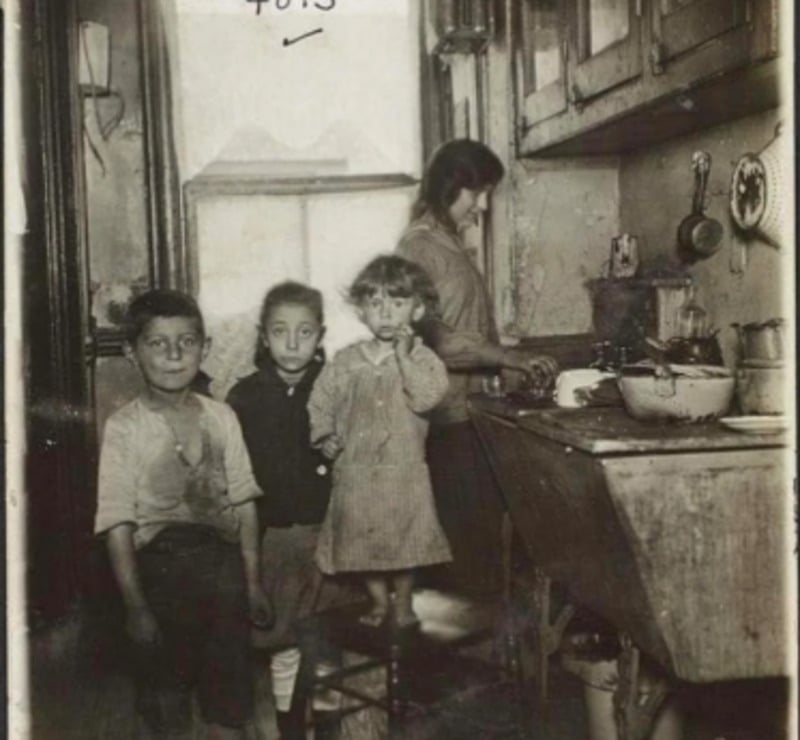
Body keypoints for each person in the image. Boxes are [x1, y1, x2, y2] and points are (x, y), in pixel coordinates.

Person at [94, 289, 272, 740]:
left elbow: (245, 503)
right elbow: (117, 522)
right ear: (132, 355)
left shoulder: (222, 417)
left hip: (223, 571)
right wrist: (135, 606)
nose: (174, 355)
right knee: (165, 698)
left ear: (205, 348)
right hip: (159, 573)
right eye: (157, 343)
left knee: (229, 696)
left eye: (187, 342)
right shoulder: (124, 427)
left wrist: (252, 585)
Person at [396, 139, 558, 598]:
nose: (482, 205)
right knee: (463, 568)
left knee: (479, 558)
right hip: (446, 427)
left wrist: (510, 359)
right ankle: (464, 664)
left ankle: (480, 658)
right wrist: (508, 358)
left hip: (468, 418)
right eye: (476, 192)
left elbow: (463, 325)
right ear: (450, 187)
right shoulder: (419, 250)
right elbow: (433, 338)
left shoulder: (445, 245)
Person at [227, 281, 346, 740]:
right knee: (284, 644)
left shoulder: (336, 387)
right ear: (263, 335)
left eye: (304, 332)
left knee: (329, 642)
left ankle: (330, 727)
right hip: (273, 538)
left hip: (330, 535)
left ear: (320, 335)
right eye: (280, 332)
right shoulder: (244, 398)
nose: (293, 344)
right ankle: (289, 727)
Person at [308, 255, 452, 628]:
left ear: (417, 309)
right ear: (361, 311)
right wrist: (323, 434)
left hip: (403, 475)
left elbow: (425, 398)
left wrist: (404, 359)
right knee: (359, 542)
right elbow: (320, 401)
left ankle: (402, 602)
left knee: (405, 543)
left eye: (398, 303)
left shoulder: (424, 360)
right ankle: (377, 600)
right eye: (376, 303)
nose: (386, 313)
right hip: (355, 473)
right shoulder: (345, 361)